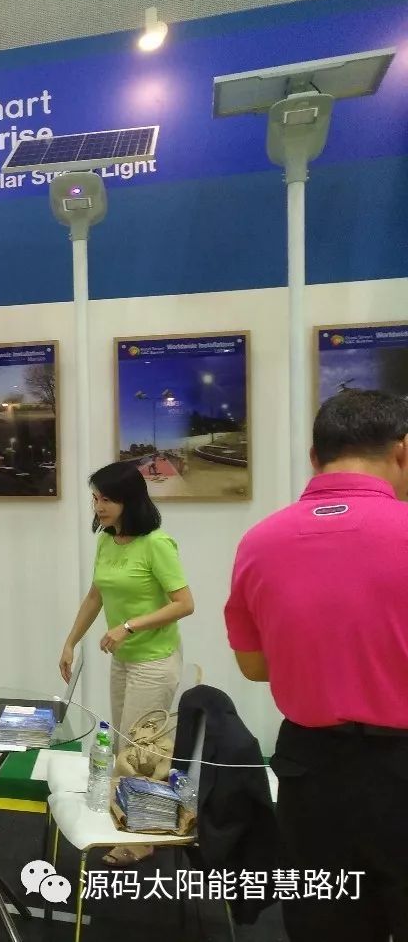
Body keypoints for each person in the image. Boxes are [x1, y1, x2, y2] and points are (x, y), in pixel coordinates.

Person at [225, 389, 408, 942]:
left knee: (325, 925)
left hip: (309, 773)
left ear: (313, 457)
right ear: (402, 450)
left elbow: (254, 666)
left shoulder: (259, 542)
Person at [58, 461, 195, 866]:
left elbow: (184, 604)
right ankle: (128, 819)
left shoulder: (157, 544)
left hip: (155, 659)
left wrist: (128, 626)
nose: (99, 507)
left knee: (140, 751)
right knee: (124, 745)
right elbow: (95, 596)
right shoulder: (107, 541)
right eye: (96, 499)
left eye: (108, 499)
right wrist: (70, 642)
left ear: (129, 500)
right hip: (123, 658)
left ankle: (142, 839)